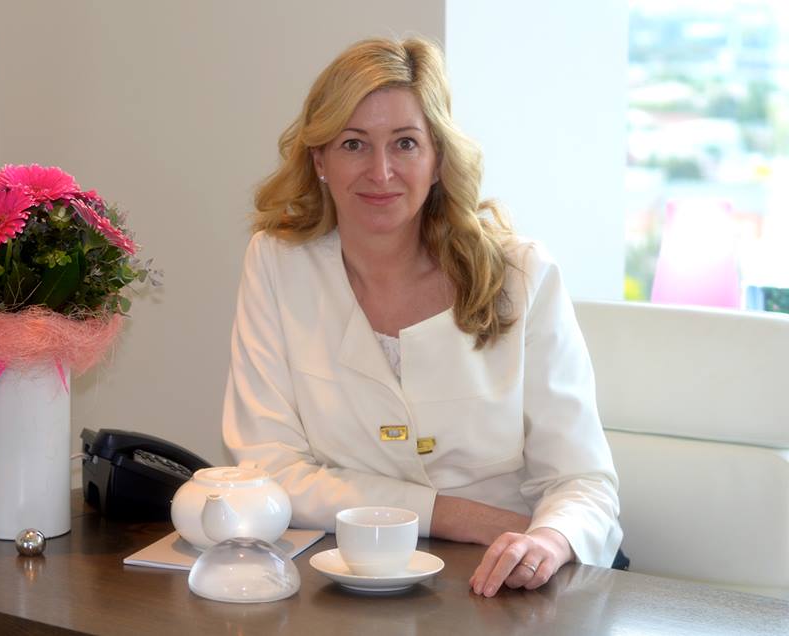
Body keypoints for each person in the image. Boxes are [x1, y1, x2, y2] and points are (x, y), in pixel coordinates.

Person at [221, 36, 623, 597]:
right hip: (350, 576)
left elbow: (583, 481)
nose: (381, 172)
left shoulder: (521, 274)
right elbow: (268, 469)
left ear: (438, 160)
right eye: (354, 144)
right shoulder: (278, 262)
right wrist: (455, 515)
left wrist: (549, 540)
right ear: (319, 160)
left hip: (514, 575)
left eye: (405, 143)